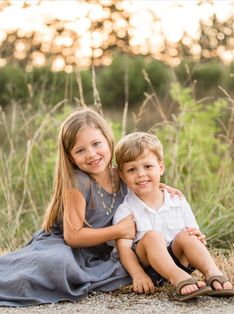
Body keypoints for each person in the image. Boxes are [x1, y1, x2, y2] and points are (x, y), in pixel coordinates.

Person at [0, 108, 180, 307]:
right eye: (80, 150)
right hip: (66, 246)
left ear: (108, 139)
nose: (92, 154)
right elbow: (72, 236)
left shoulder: (120, 174)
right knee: (58, 264)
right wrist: (118, 230)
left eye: (96, 144)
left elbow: (141, 180)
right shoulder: (79, 183)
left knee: (134, 262)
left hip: (103, 251)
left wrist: (160, 187)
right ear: (70, 158)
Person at [113, 132, 234, 301]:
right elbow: (124, 249)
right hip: (150, 268)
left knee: (187, 235)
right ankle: (177, 277)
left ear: (161, 167)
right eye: (132, 169)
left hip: (180, 261)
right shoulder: (126, 209)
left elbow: (194, 234)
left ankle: (212, 272)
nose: (141, 174)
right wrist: (138, 274)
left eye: (148, 167)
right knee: (152, 237)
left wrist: (199, 238)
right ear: (122, 175)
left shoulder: (176, 200)